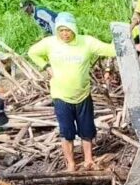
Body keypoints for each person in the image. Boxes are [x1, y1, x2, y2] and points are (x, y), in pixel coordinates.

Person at [27, 12, 117, 172]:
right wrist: (46, 66)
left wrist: (133, 42)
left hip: (83, 94)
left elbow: (110, 50)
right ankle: (71, 164)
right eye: (61, 30)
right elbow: (32, 52)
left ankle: (88, 160)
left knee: (87, 129)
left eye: (67, 30)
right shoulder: (50, 43)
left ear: (74, 29)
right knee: (66, 131)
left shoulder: (86, 42)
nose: (64, 34)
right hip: (61, 96)